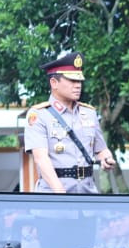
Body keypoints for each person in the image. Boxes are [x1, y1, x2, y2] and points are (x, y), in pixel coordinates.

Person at [24, 51, 116, 193]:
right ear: (54, 83)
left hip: (87, 194)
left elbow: (101, 149)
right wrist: (60, 192)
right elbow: (41, 159)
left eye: (79, 81)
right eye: (72, 81)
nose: (78, 85)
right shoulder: (39, 115)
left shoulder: (89, 113)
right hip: (54, 196)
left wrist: (106, 158)